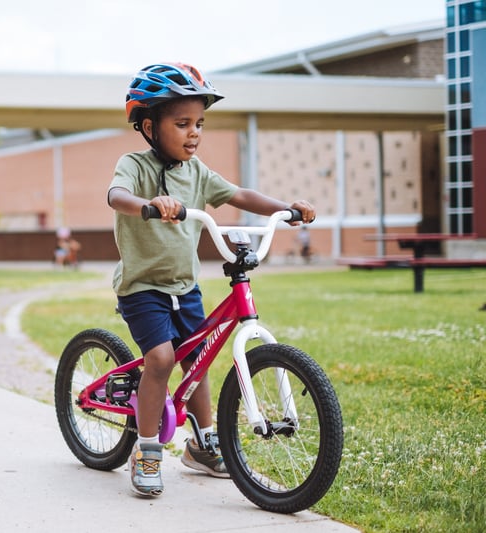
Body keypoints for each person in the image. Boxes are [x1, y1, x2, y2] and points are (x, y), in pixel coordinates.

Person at [108, 63, 316, 497]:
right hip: (144, 286)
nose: (194, 132)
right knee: (161, 361)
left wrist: (286, 208)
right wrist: (148, 204)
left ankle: (203, 444)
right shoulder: (135, 165)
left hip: (185, 285)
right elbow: (116, 196)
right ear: (149, 126)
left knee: (199, 359)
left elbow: (239, 195)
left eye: (199, 123)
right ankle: (147, 450)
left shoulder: (198, 172)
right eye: (182, 123)